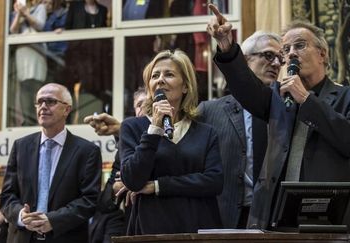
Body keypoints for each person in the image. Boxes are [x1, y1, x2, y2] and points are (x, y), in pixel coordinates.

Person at [206, 4, 350, 229]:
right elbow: (246, 87)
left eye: (299, 45)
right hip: (277, 213)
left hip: (328, 212)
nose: (291, 53)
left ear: (322, 54)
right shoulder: (279, 97)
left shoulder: (345, 96)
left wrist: (307, 100)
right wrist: (227, 47)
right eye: (287, 49)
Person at [119, 49, 223, 235]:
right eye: (155, 75)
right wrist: (154, 131)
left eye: (169, 74)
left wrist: (158, 186)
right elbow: (132, 179)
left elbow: (214, 181)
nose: (160, 79)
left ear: (185, 86)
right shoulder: (132, 127)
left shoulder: (206, 132)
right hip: (150, 228)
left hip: (198, 226)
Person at [197, 31, 281, 228]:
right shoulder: (209, 111)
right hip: (222, 217)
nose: (276, 64)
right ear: (244, 59)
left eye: (280, 58)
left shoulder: (286, 108)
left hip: (272, 218)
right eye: (269, 55)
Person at [0, 83, 102, 242]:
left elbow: (89, 200)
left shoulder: (87, 152)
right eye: (39, 102)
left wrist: (52, 220)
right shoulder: (21, 147)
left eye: (50, 101)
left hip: (64, 237)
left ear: (67, 109)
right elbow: (7, 195)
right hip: (22, 237)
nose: (43, 106)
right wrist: (21, 215)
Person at [84, 87, 146, 243]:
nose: (143, 109)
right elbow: (104, 203)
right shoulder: (123, 149)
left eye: (148, 103)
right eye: (139, 105)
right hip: (131, 228)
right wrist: (115, 189)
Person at [10, 0, 47, 126]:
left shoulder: (40, 8)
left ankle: (40, 120)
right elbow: (13, 31)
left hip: (36, 52)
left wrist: (26, 14)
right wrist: (19, 15)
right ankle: (28, 120)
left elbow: (40, 25)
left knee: (37, 87)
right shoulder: (15, 13)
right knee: (24, 86)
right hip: (22, 53)